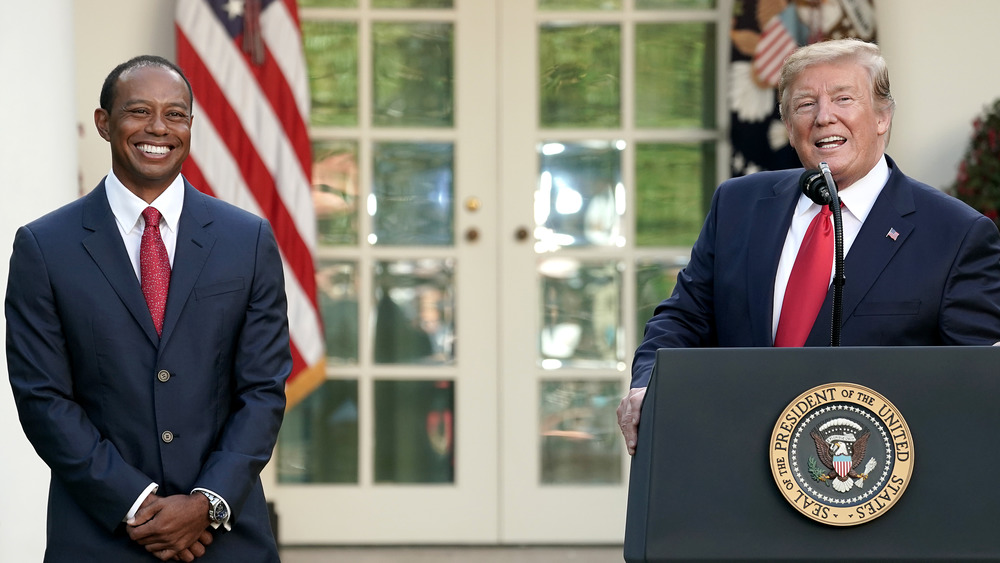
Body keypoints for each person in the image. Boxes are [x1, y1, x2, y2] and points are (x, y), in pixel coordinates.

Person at [618, 38, 1000, 455]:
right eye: (804, 104)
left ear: (882, 117)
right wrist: (648, 383)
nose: (824, 117)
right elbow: (684, 318)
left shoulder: (956, 233)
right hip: (732, 459)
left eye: (844, 99)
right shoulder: (738, 204)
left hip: (864, 481)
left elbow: (979, 383)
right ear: (788, 125)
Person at [5, 55, 290, 561]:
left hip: (224, 536)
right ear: (104, 123)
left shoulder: (247, 240)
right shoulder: (44, 248)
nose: (158, 127)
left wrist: (207, 503)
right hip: (101, 534)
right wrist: (135, 503)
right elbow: (43, 397)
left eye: (175, 114)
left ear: (190, 126)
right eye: (139, 111)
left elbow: (262, 390)